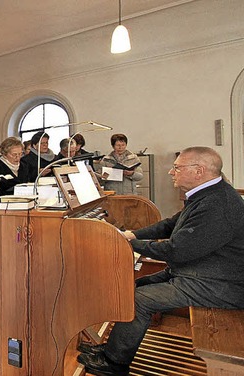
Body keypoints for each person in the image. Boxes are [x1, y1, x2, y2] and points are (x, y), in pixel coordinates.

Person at [77, 146, 244, 376]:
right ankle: (112, 350)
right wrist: (133, 235)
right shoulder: (208, 194)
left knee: (139, 299)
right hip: (200, 270)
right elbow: (170, 224)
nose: (171, 172)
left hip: (219, 283)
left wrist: (123, 244)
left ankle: (114, 364)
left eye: (177, 167)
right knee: (138, 285)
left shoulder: (218, 204)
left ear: (199, 171)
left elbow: (177, 250)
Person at [0, 137, 24, 261]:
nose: (17, 158)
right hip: (2, 208)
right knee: (4, 245)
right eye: (14, 155)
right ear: (5, 153)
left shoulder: (25, 165)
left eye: (20, 154)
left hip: (21, 207)